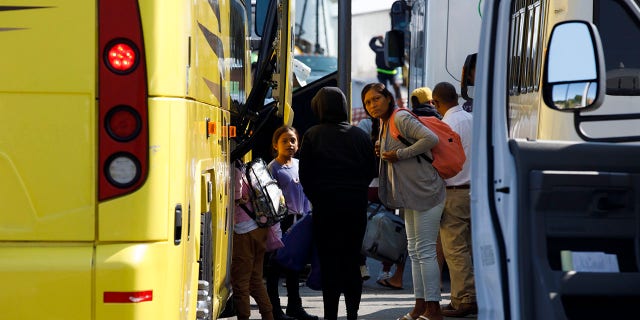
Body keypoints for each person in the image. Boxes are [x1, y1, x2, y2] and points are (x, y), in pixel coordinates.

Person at [362, 82, 446, 320]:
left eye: (376, 99)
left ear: (388, 98)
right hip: (410, 195)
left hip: (426, 191)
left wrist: (398, 154)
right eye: (367, 102)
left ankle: (434, 309)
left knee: (426, 251)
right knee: (416, 251)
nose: (372, 105)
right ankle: (420, 306)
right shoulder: (384, 122)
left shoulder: (399, 117)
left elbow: (430, 139)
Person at [299, 87, 376, 320]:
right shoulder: (360, 136)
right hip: (354, 209)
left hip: (326, 209)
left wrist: (319, 198)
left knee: (330, 264)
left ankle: (330, 315)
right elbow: (371, 170)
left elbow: (306, 176)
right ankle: (352, 314)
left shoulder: (312, 135)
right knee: (352, 262)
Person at [431, 82, 477, 317]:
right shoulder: (472, 119)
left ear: (436, 103)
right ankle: (467, 295)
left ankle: (464, 299)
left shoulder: (445, 125)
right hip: (475, 192)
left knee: (455, 249)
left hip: (454, 192)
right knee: (470, 248)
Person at [265, 126, 318, 320]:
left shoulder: (299, 164)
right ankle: (274, 310)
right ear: (275, 144)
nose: (290, 144)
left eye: (293, 140)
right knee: (274, 267)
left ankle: (295, 307)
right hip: (281, 222)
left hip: (301, 220)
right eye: (285, 141)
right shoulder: (273, 168)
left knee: (294, 265)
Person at [356, 116, 407, 291]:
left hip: (369, 185)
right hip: (390, 186)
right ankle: (385, 271)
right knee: (390, 229)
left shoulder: (364, 124)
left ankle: (362, 267)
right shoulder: (394, 126)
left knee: (362, 227)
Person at [231, 162, 275, 320]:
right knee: (255, 280)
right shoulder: (247, 169)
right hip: (260, 228)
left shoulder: (235, 172)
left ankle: (244, 317)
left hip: (243, 231)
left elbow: (237, 198)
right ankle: (268, 315)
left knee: (240, 282)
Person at [369, 35, 404, 108]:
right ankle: (401, 106)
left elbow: (371, 44)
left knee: (383, 91)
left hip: (382, 74)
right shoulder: (393, 49)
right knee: (397, 90)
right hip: (392, 74)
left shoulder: (379, 49)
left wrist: (376, 37)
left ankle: (385, 106)